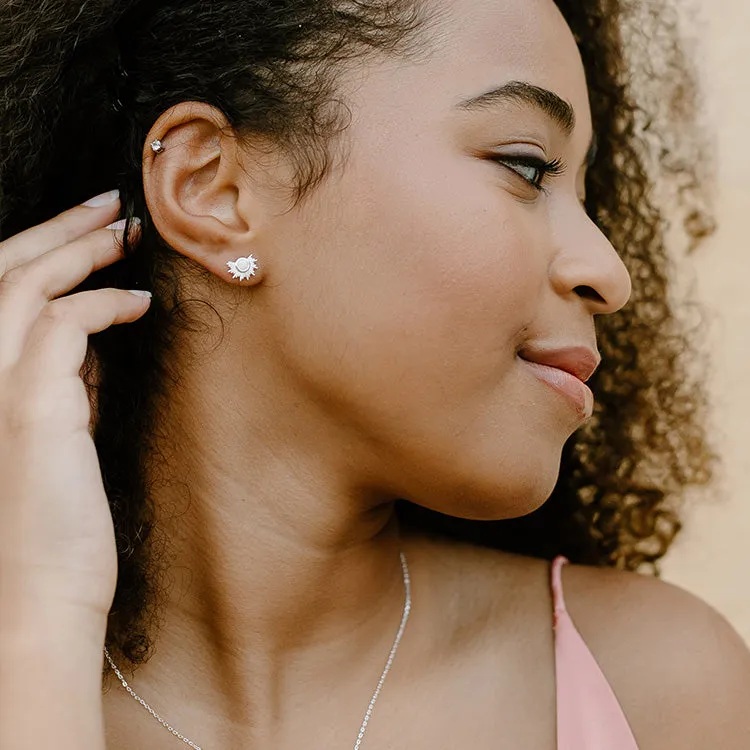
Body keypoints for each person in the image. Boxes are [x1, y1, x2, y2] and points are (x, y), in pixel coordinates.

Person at [1, 0, 748, 748]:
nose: (609, 274)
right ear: (213, 189)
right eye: (526, 167)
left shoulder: (659, 689)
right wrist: (41, 627)